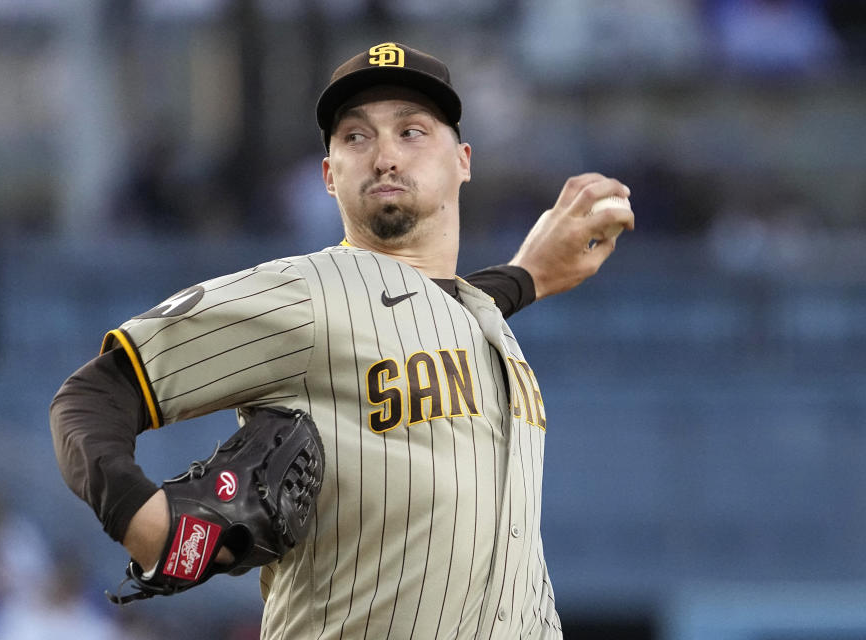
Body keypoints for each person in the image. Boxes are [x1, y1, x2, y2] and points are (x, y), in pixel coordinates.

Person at [50, 42, 634, 639]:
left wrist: (526, 276)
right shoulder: (305, 293)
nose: (385, 155)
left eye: (412, 132)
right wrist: (143, 521)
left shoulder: (480, 318)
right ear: (329, 176)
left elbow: (429, 312)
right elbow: (94, 395)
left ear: (462, 160)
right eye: (357, 137)